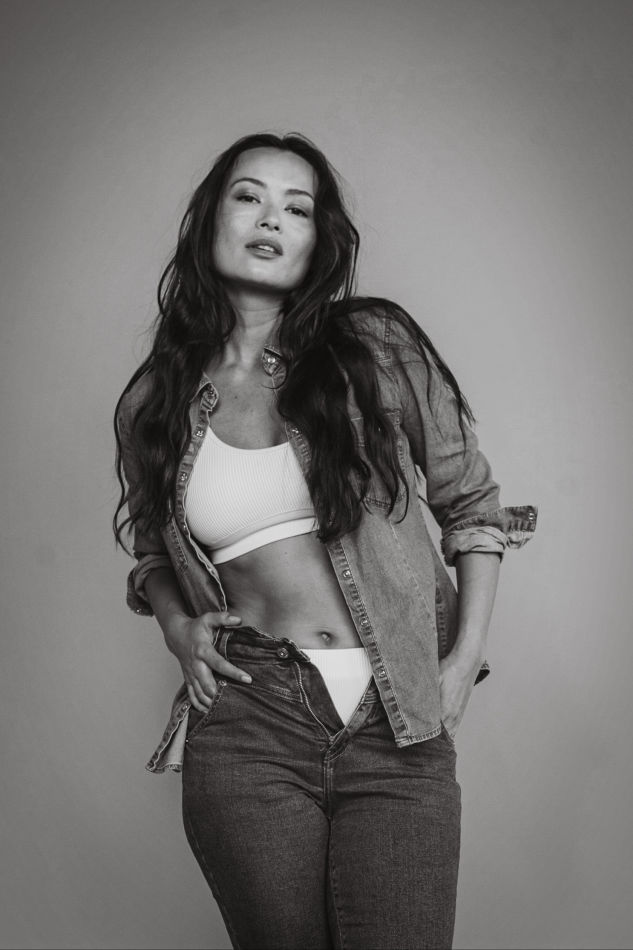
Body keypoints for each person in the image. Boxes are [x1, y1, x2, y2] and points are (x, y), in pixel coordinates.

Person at [113, 131, 537, 950]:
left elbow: (472, 507)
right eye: (248, 197)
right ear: (210, 220)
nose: (270, 218)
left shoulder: (374, 348)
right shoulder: (156, 402)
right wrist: (177, 628)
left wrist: (459, 664)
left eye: (296, 207)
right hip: (249, 716)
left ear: (318, 240)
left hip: (395, 717)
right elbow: (152, 553)